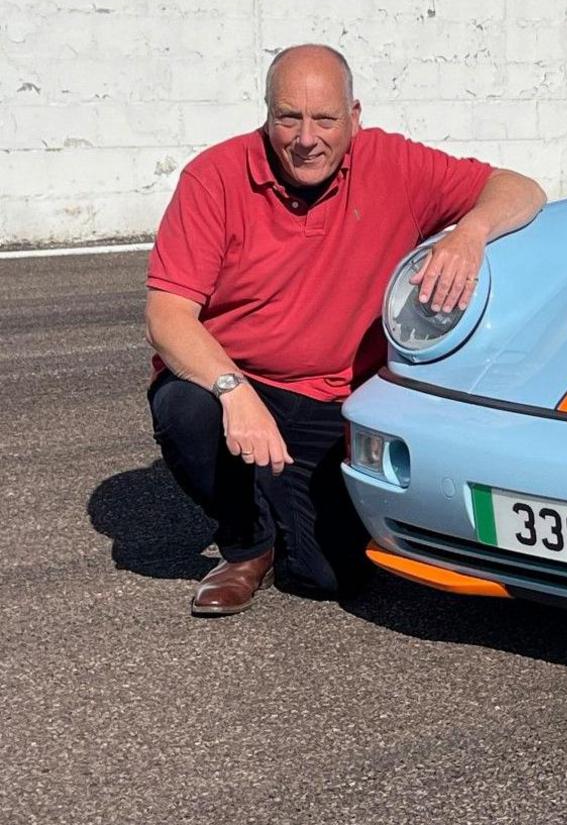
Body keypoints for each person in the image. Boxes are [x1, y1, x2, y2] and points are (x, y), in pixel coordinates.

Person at [145, 44, 546, 616]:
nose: (306, 138)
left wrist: (470, 231)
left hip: (333, 400)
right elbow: (167, 315)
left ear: (354, 117)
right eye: (289, 117)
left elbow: (521, 188)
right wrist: (234, 393)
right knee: (186, 410)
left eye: (324, 119)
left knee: (327, 577)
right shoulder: (214, 177)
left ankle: (279, 502)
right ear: (267, 115)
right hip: (237, 382)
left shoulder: (395, 164)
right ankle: (246, 546)